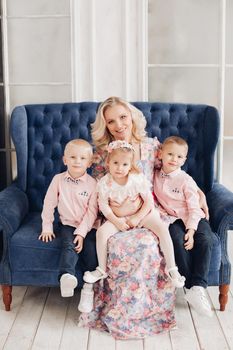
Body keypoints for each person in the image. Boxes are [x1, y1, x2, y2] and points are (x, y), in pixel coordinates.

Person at [78, 96, 178, 339]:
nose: (119, 125)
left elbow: (171, 172)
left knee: (146, 244)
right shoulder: (103, 154)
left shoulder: (152, 146)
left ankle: (148, 310)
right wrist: (113, 215)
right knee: (116, 244)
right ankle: (117, 310)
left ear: (132, 116)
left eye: (122, 117)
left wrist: (196, 193)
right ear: (105, 126)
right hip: (114, 216)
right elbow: (99, 189)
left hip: (144, 213)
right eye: (111, 121)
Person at [83, 140, 185, 290]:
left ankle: (172, 268)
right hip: (118, 217)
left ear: (130, 165)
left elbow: (149, 202)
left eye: (124, 165)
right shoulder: (104, 183)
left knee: (162, 229)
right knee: (101, 233)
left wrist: (137, 218)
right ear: (108, 163)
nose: (119, 168)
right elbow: (103, 206)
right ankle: (101, 269)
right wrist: (117, 221)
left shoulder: (136, 179)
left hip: (141, 213)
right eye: (116, 163)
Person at [153, 136, 214, 317]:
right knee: (176, 241)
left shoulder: (185, 180)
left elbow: (194, 208)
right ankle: (189, 287)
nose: (174, 159)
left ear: (185, 160)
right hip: (172, 219)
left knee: (205, 240)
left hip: (193, 217)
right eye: (170, 154)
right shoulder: (154, 175)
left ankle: (198, 286)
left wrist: (192, 230)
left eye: (180, 157)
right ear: (160, 154)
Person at [38, 139, 98, 298]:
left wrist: (82, 233)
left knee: (90, 253)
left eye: (83, 158)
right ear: (65, 160)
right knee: (69, 245)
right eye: (72, 157)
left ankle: (90, 288)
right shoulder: (58, 180)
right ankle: (67, 277)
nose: (77, 161)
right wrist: (47, 227)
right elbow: (49, 204)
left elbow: (92, 212)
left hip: (88, 226)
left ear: (90, 162)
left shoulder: (93, 184)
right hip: (68, 224)